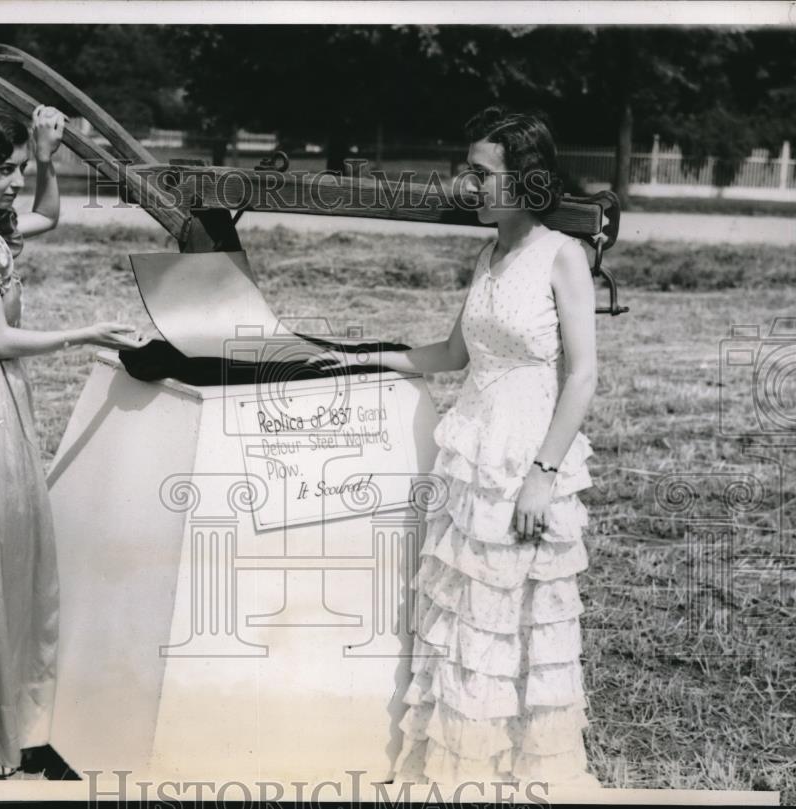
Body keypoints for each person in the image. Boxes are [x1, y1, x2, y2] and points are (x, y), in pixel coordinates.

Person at [312, 107, 601, 788]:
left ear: (525, 179)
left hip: (525, 459)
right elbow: (452, 352)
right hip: (468, 456)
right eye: (466, 171)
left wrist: (542, 476)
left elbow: (583, 375)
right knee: (466, 622)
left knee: (513, 627)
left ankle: (517, 775)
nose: (465, 185)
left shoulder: (563, 256)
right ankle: (457, 773)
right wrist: (366, 358)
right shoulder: (487, 253)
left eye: (481, 174)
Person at [0, 105, 145, 778]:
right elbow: (1, 338)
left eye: (16, 168)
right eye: (3, 169)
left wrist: (48, 159)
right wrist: (89, 332)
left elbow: (50, 215)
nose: (14, 182)